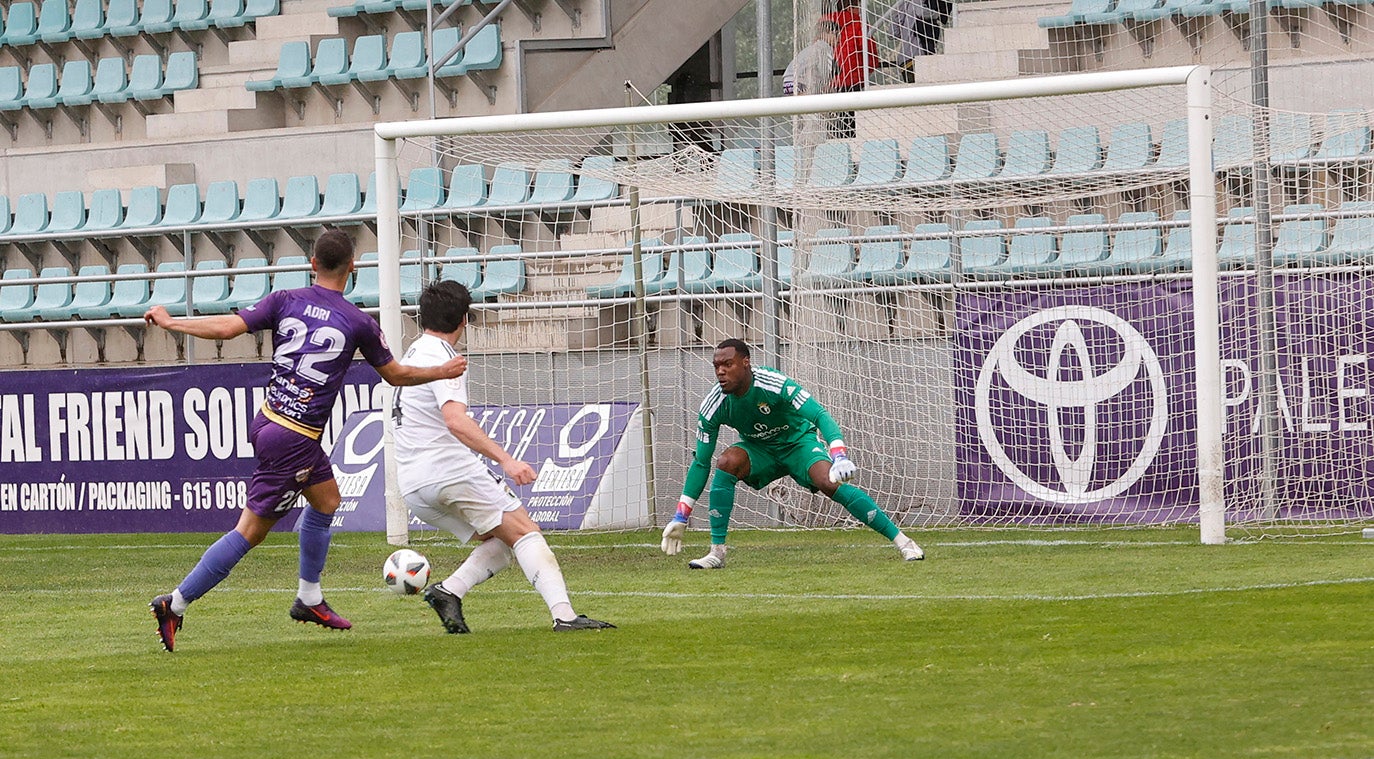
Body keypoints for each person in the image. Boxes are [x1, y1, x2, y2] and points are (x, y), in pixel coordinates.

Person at [145, 229, 467, 652]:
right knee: (250, 532)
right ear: (353, 268)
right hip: (294, 439)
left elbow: (226, 329)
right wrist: (440, 373)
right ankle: (176, 603)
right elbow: (397, 375)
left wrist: (171, 322)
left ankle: (309, 598)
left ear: (312, 264)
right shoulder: (357, 322)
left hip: (271, 422)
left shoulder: (284, 300)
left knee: (327, 500)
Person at [392, 280, 614, 633]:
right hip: (448, 473)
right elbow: (455, 420)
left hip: (414, 487)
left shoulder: (414, 355)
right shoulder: (443, 358)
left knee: (504, 539)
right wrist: (506, 460)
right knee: (526, 532)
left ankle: (449, 591)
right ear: (465, 319)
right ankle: (566, 617)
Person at [660, 338, 924, 568]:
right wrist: (682, 514)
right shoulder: (713, 405)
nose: (720, 372)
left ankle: (904, 542)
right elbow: (701, 462)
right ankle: (717, 552)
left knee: (829, 482)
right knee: (727, 461)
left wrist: (839, 455)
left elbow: (819, 415)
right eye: (717, 366)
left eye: (727, 364)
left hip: (798, 444)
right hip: (759, 450)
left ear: (746, 363)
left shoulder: (774, 383)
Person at [825, 0, 880, 138]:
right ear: (852, 7)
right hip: (851, 81)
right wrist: (866, 71)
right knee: (850, 126)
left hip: (826, 83)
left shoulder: (823, 26)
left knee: (832, 125)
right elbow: (871, 55)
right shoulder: (858, 25)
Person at [879, 0, 941, 83]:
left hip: (904, 58)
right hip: (919, 56)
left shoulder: (903, 4)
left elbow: (893, 33)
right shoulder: (917, 2)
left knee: (915, 93)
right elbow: (921, 12)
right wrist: (938, 14)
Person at [782, 19, 838, 97]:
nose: (838, 38)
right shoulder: (824, 48)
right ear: (825, 33)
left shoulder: (812, 48)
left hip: (787, 83)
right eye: (835, 34)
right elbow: (824, 73)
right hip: (799, 83)